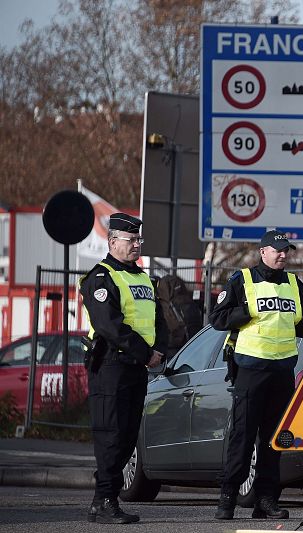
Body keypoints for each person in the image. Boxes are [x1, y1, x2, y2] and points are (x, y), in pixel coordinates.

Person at [210, 229, 303, 520]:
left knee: (274, 439)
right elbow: (217, 318)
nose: (283, 255)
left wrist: (292, 322)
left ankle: (266, 499)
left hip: (282, 370)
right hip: (250, 369)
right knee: (242, 436)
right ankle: (228, 497)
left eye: (286, 251)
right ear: (263, 252)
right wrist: (246, 313)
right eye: (277, 250)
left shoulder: (294, 284)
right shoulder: (242, 280)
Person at [79, 213, 167, 524]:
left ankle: (104, 499)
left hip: (135, 368)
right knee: (111, 435)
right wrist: (146, 353)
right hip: (111, 367)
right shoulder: (101, 278)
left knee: (128, 436)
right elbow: (109, 325)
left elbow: (157, 320)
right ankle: (104, 500)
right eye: (131, 240)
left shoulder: (143, 278)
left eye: (139, 240)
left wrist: (159, 351)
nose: (136, 245)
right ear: (113, 242)